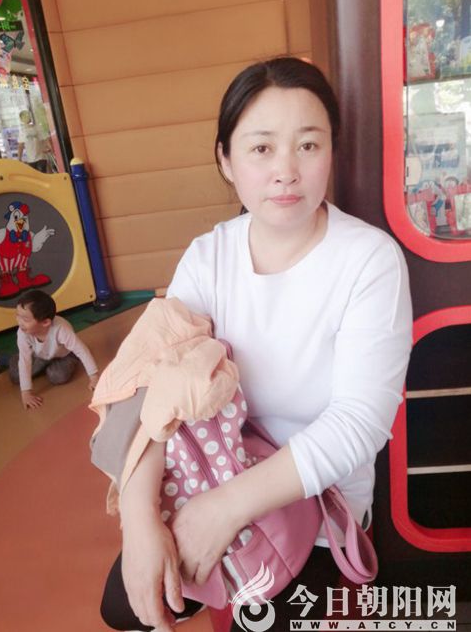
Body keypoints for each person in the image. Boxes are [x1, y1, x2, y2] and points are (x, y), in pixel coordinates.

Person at [100, 57, 413, 631]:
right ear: (226, 159)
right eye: (262, 148)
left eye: (308, 146)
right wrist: (138, 521)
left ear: (332, 152)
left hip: (316, 506)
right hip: (213, 469)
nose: (286, 172)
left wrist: (224, 511)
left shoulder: (369, 261)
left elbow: (360, 421)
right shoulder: (208, 257)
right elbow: (151, 379)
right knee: (125, 606)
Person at [7, 289, 99, 409]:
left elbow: (81, 350)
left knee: (58, 376)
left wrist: (94, 377)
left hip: (64, 356)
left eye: (25, 319)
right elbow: (25, 360)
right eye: (18, 316)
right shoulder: (23, 332)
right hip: (40, 355)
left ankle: (47, 367)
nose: (19, 322)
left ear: (45, 322)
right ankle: (10, 359)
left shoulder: (61, 329)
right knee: (16, 376)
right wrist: (26, 393)